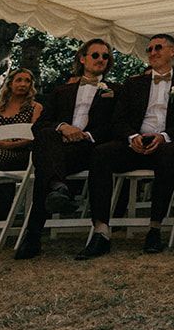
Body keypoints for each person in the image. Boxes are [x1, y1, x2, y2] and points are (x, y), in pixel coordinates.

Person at [76, 33, 174, 259]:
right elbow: (118, 119)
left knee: (170, 155)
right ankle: (101, 231)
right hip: (135, 143)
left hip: (165, 144)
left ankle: (155, 229)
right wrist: (132, 137)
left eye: (158, 48)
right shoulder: (133, 84)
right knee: (101, 153)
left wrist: (163, 136)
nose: (152, 52)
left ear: (172, 51)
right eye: (149, 49)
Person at [13, 39, 116, 259]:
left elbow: (116, 125)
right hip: (60, 147)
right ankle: (58, 188)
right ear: (82, 59)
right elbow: (40, 125)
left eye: (105, 56)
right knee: (47, 139)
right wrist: (63, 127)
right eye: (95, 55)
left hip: (92, 148)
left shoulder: (115, 90)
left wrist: (85, 135)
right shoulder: (62, 90)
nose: (100, 59)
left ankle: (34, 234)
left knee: (46, 164)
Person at [0, 67, 43, 171]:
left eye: (27, 81)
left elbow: (35, 137)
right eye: (18, 80)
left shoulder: (35, 107)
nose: (23, 84)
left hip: (19, 153)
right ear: (10, 84)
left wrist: (9, 145)